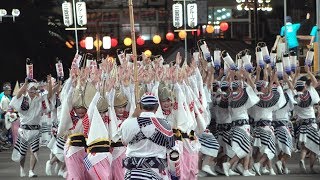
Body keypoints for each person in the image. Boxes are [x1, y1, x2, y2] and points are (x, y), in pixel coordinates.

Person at [120, 93, 175, 179]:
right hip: (157, 171)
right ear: (157, 107)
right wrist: (175, 173)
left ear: (140, 106)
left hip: (132, 172)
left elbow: (123, 142)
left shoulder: (127, 124)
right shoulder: (165, 125)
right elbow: (172, 149)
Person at [10, 76, 53, 177]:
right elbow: (17, 95)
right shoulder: (23, 99)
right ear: (27, 90)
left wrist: (50, 83)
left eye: (34, 89)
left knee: (34, 151)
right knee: (22, 152)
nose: (33, 91)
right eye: (31, 89)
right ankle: (21, 168)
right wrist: (25, 84)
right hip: (24, 130)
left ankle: (31, 171)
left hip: (36, 130)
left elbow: (50, 95)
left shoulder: (40, 99)